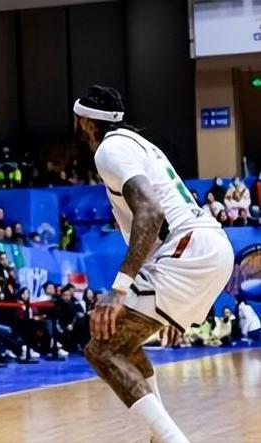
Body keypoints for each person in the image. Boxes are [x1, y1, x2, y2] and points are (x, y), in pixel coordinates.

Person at [73, 85, 233, 442]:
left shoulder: (109, 149)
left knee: (101, 349)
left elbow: (150, 210)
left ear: (86, 122)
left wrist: (119, 290)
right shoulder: (137, 144)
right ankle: (160, 438)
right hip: (205, 246)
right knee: (121, 343)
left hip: (187, 250)